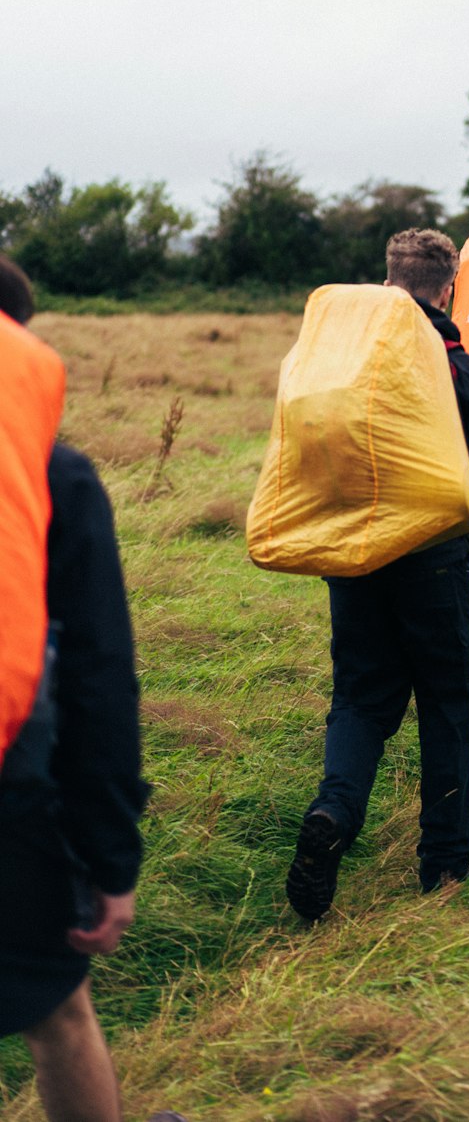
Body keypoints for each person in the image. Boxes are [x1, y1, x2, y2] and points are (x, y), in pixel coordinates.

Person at [285, 228, 469, 921]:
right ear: (448, 290)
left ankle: (333, 811)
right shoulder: (463, 372)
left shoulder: (340, 364)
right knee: (447, 705)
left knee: (359, 699)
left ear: (387, 282)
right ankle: (447, 859)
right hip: (435, 565)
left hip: (353, 559)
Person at [0, 257, 159, 1122]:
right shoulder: (55, 475)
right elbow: (98, 677)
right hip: (7, 792)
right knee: (60, 1014)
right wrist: (110, 858)